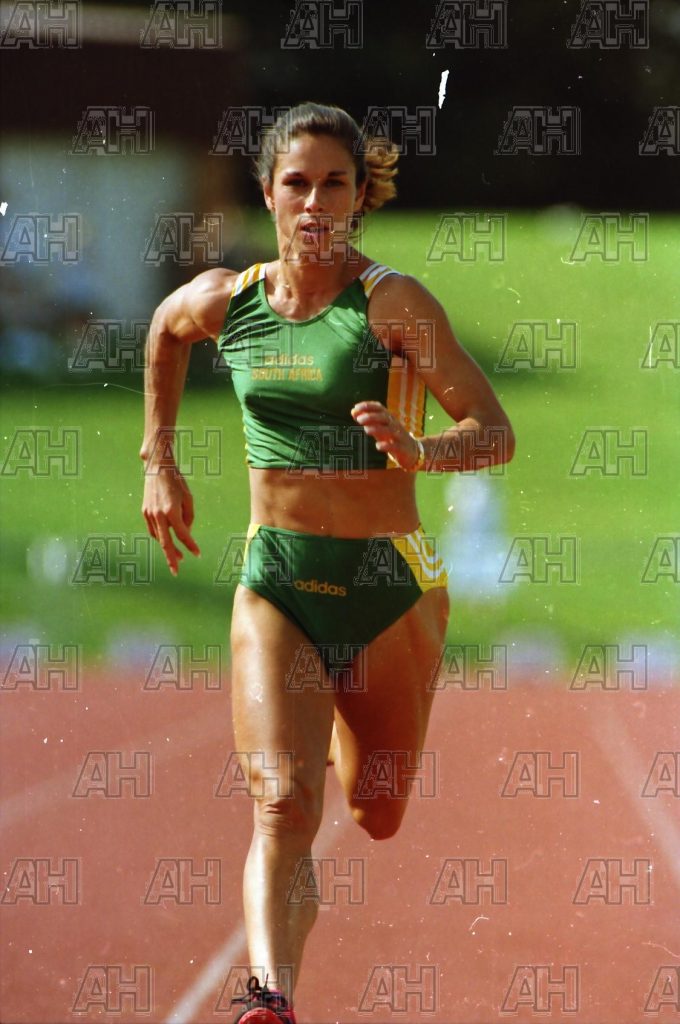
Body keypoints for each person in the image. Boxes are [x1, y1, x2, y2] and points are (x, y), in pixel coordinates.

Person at [140, 101, 515, 1024]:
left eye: (334, 183)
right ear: (268, 193)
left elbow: (493, 431)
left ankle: (340, 709)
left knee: (376, 812)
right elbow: (166, 330)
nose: (314, 203)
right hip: (276, 579)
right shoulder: (229, 300)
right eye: (297, 183)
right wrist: (158, 459)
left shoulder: (392, 305)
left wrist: (421, 451)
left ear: (359, 196)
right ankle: (270, 998)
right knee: (282, 806)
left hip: (388, 587)